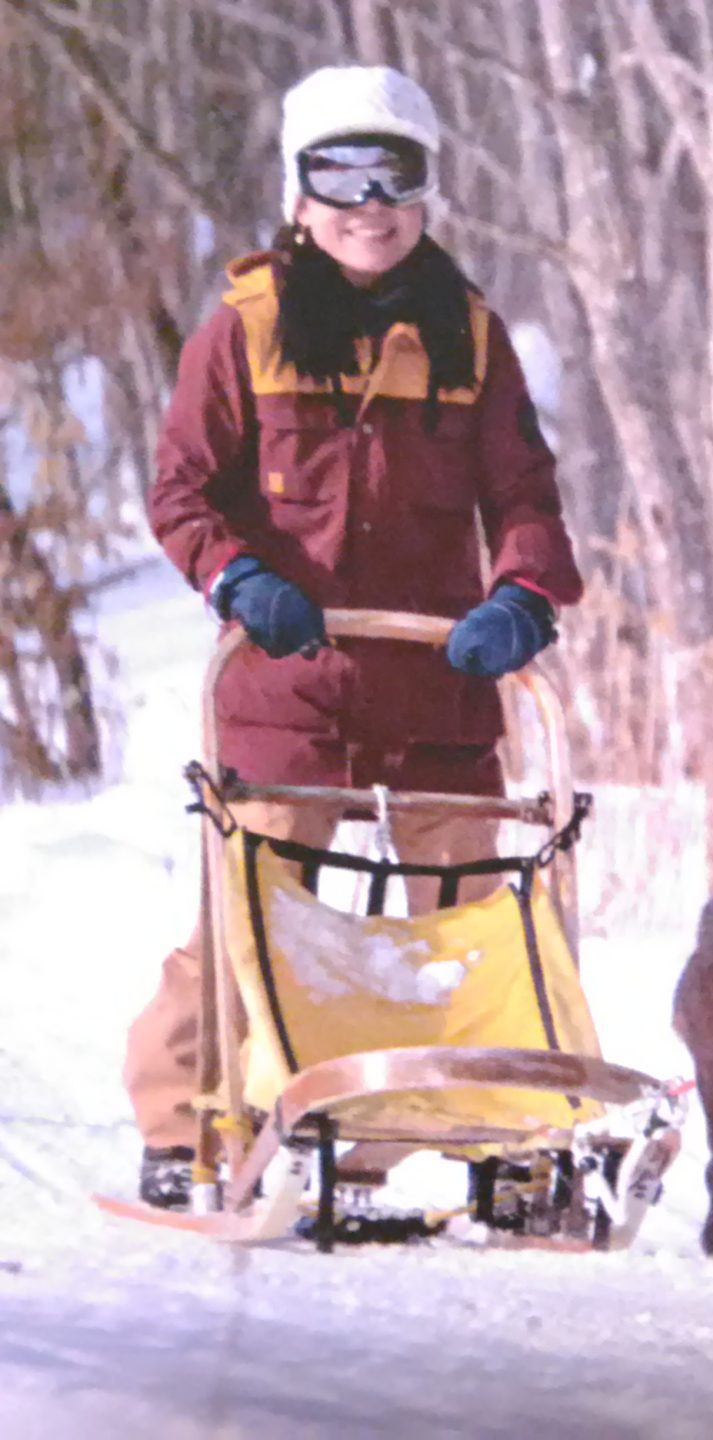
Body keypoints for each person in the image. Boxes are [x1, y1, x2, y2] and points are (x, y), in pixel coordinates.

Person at [126, 64, 584, 1208]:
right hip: (292, 691)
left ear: (428, 193)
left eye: (396, 172)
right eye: (340, 173)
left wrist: (521, 597)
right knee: (250, 919)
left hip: (440, 688)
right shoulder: (243, 335)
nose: (368, 202)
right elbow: (180, 492)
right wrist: (239, 580)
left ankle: (484, 1134)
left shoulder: (470, 340)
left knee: (478, 927)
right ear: (299, 194)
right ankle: (184, 1124)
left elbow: (527, 498)